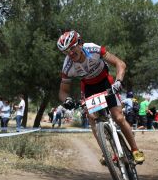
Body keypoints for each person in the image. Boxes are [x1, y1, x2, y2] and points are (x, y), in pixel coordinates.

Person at [56, 30, 145, 164]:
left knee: (119, 117)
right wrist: (66, 100)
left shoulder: (93, 49)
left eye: (72, 48)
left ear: (80, 44)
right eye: (66, 51)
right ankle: (107, 153)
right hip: (88, 88)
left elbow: (120, 63)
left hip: (105, 82)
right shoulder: (67, 66)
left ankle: (135, 149)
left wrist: (119, 81)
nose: (70, 53)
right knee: (92, 118)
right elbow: (63, 92)